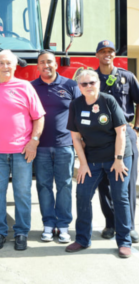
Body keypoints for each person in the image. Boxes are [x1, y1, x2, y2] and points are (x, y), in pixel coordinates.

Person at [0, 50, 45, 251]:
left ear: (15, 66)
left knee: (22, 193)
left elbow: (39, 117)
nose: (5, 66)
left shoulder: (25, 86)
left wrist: (34, 142)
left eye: (9, 63)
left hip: (21, 151)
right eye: (2, 63)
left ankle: (21, 233)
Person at [66, 70, 133, 258]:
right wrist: (83, 164)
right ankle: (82, 239)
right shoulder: (76, 105)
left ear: (98, 83)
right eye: (84, 84)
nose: (88, 87)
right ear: (79, 87)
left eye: (92, 83)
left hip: (117, 157)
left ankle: (124, 241)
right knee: (82, 195)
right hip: (92, 159)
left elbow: (121, 132)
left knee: (120, 198)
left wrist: (119, 160)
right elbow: (76, 137)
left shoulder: (108, 101)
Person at [31, 50, 80, 243]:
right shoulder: (31, 87)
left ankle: (64, 225)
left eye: (49, 62)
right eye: (42, 62)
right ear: (38, 66)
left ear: (56, 64)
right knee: (43, 186)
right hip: (40, 146)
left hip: (65, 145)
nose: (46, 65)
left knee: (65, 186)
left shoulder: (70, 85)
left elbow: (79, 113)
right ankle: (48, 224)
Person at [94, 40, 139, 243]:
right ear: (97, 55)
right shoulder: (91, 79)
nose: (107, 54)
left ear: (114, 54)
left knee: (127, 181)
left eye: (110, 51)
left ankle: (128, 227)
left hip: (125, 133)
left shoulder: (127, 77)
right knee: (104, 182)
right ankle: (110, 223)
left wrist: (136, 128)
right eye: (103, 51)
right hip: (100, 136)